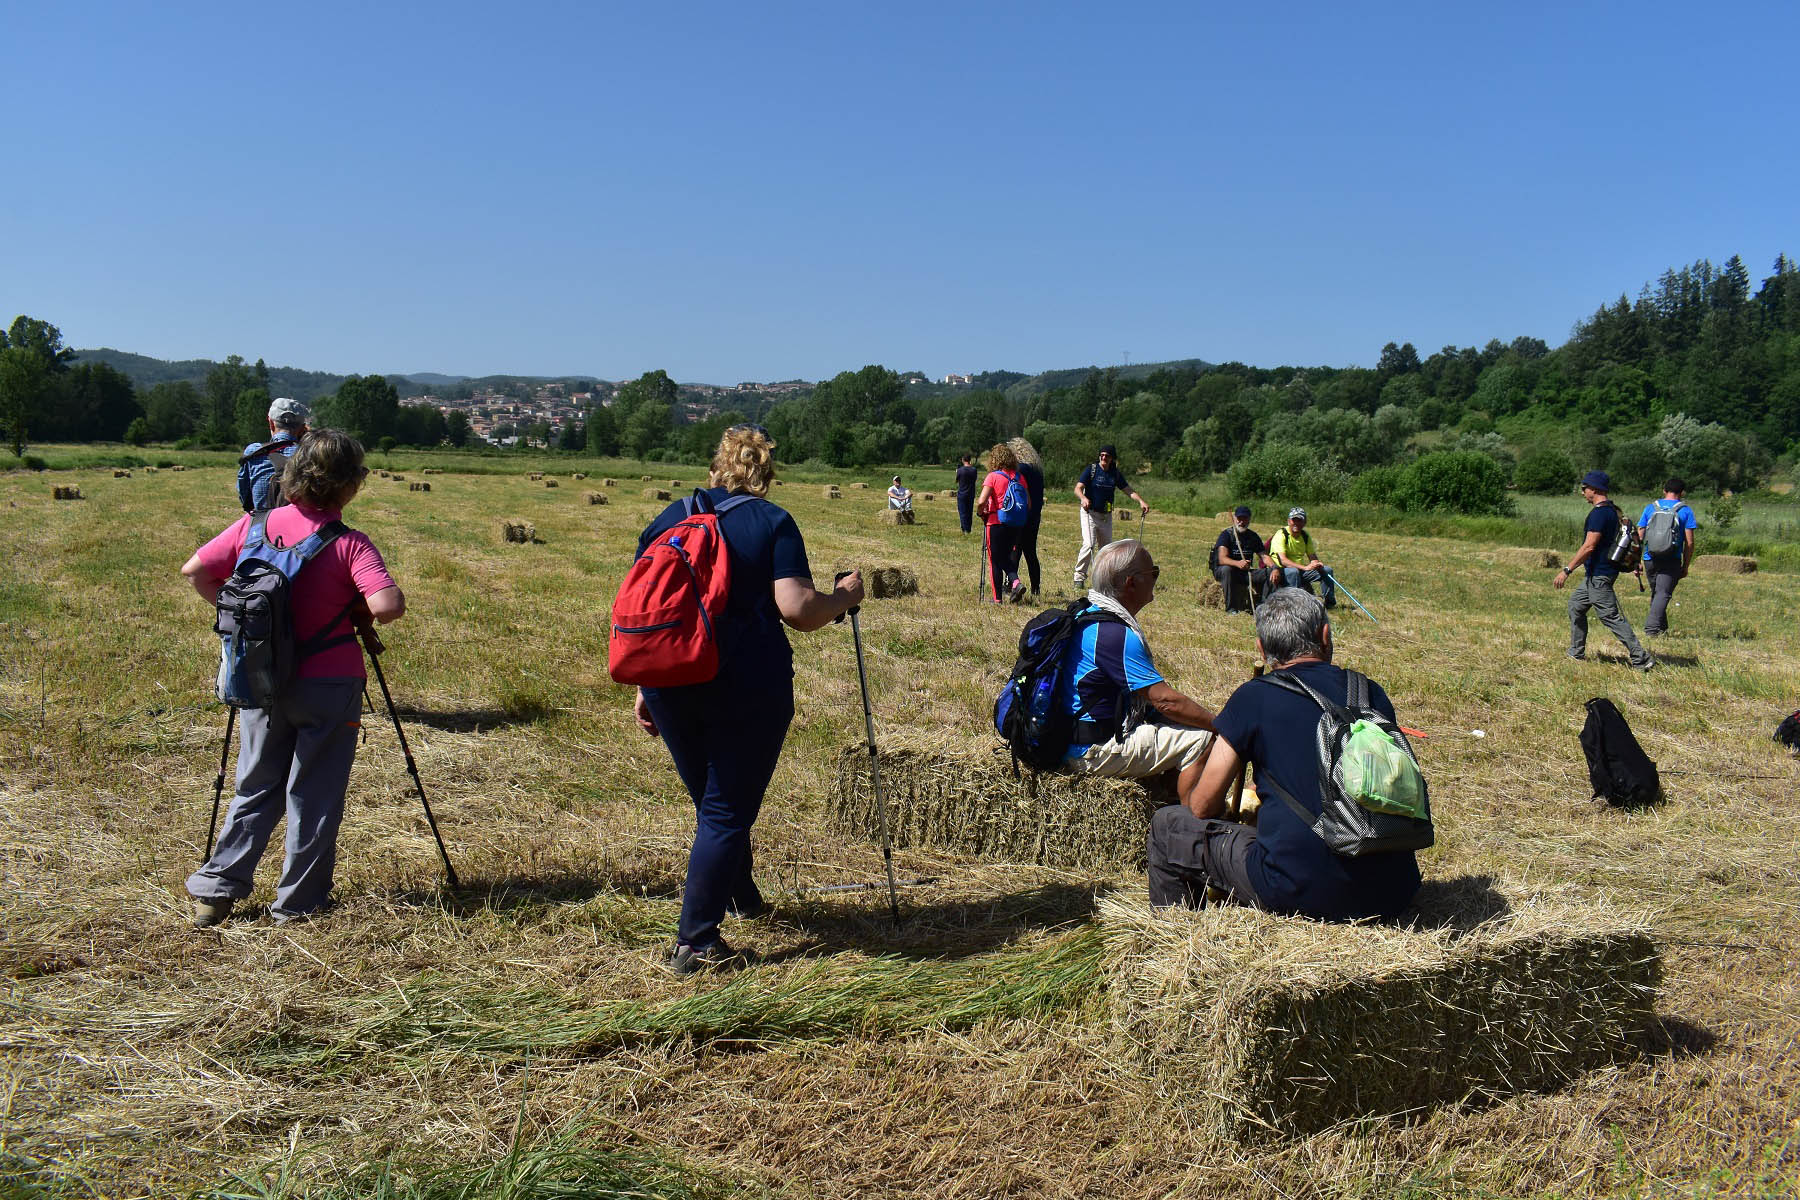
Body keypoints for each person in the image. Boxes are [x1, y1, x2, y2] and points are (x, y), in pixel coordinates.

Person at [632, 425, 864, 974]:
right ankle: (697, 942)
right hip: (745, 680)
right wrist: (845, 596)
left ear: (716, 467)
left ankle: (741, 896)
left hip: (670, 679)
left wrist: (645, 687)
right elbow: (798, 609)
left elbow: (648, 611)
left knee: (716, 803)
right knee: (726, 808)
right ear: (767, 473)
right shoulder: (772, 521)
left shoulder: (669, 519)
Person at [182, 429, 404, 927]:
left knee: (255, 785)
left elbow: (195, 571)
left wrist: (237, 617)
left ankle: (217, 889)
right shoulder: (350, 544)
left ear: (293, 475)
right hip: (329, 682)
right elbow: (386, 608)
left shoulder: (253, 526)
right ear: (350, 486)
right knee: (315, 793)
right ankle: (298, 903)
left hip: (260, 676)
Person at [1146, 588, 1422, 920]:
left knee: (1167, 825)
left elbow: (1203, 805)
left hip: (1300, 890)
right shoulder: (1368, 692)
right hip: (1394, 890)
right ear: (1325, 635)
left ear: (1261, 649)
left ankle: (1178, 939)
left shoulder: (1253, 697)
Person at [1060, 540, 1218, 809]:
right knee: (1203, 739)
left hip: (1069, 736)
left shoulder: (1087, 612)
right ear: (1131, 583)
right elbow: (1166, 701)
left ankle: (1165, 801)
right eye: (1153, 573)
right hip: (1090, 750)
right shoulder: (1115, 635)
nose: (1156, 579)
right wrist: (1222, 724)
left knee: (1185, 725)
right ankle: (1193, 821)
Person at [1556, 470, 1654, 671]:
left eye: (1585, 488)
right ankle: (1576, 652)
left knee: (1611, 617)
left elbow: (1589, 546)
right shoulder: (1612, 511)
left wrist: (1567, 570)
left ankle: (1641, 657)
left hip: (1600, 575)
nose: (1583, 492)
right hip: (1595, 576)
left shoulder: (1599, 514)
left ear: (1594, 489)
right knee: (1576, 605)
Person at [1071, 445, 1148, 591]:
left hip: (1106, 516)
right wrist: (1083, 498)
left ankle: (1102, 579)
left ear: (1112, 458)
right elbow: (1078, 488)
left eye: (1107, 455)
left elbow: (1128, 490)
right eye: (1102, 455)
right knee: (1088, 544)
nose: (1104, 458)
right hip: (1090, 514)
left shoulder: (1115, 474)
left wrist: (1141, 501)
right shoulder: (1091, 470)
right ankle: (1079, 578)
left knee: (1106, 550)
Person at [1638, 477, 1698, 637]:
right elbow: (1689, 542)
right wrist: (1685, 566)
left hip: (1649, 557)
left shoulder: (1650, 508)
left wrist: (1636, 560)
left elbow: (1639, 535)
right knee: (1662, 593)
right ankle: (1651, 630)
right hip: (1671, 558)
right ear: (1682, 493)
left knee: (1658, 592)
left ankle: (1661, 629)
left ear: (1664, 491)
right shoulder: (1685, 511)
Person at [237, 397, 311, 513]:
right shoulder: (309, 453)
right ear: (302, 428)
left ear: (271, 423)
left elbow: (244, 494)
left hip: (262, 524)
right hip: (297, 525)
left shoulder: (253, 451)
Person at [977, 442, 1029, 603]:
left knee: (995, 560)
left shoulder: (993, 477)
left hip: (996, 522)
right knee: (1006, 557)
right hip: (1016, 524)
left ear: (994, 460)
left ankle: (998, 598)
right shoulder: (1020, 478)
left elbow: (981, 501)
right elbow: (1029, 503)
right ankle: (1014, 582)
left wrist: (980, 513)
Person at [1211, 506, 1277, 614]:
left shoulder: (1253, 536)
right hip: (1224, 571)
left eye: (1245, 519)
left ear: (1249, 519)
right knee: (1227, 569)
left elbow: (1264, 556)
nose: (1241, 522)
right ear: (1234, 518)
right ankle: (1231, 608)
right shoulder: (1226, 535)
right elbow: (1222, 559)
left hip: (1244, 572)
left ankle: (1263, 606)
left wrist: (1274, 568)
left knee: (1269, 573)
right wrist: (1237, 563)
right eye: (1239, 518)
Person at [1269, 508, 1336, 607]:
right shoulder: (1281, 534)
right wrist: (1305, 567)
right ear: (1288, 521)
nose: (1296, 523)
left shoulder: (1305, 536)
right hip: (1281, 571)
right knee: (1293, 571)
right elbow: (1283, 561)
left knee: (1327, 570)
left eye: (1299, 520)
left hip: (1300, 570)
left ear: (1304, 522)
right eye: (1293, 520)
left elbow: (1312, 556)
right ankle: (1294, 604)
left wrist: (1316, 563)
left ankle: (1329, 603)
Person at [1007, 437, 1046, 597]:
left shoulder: (1021, 469)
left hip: (1021, 514)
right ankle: (1035, 588)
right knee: (1030, 552)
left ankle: (1012, 585)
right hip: (1035, 515)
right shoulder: (1037, 470)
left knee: (1015, 550)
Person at [955, 453, 979, 534]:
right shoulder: (974, 470)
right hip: (971, 493)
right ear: (970, 460)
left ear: (963, 460)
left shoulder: (960, 470)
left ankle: (964, 529)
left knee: (962, 511)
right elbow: (974, 480)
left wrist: (957, 472)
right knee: (969, 512)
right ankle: (968, 528)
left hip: (962, 493)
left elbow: (957, 481)